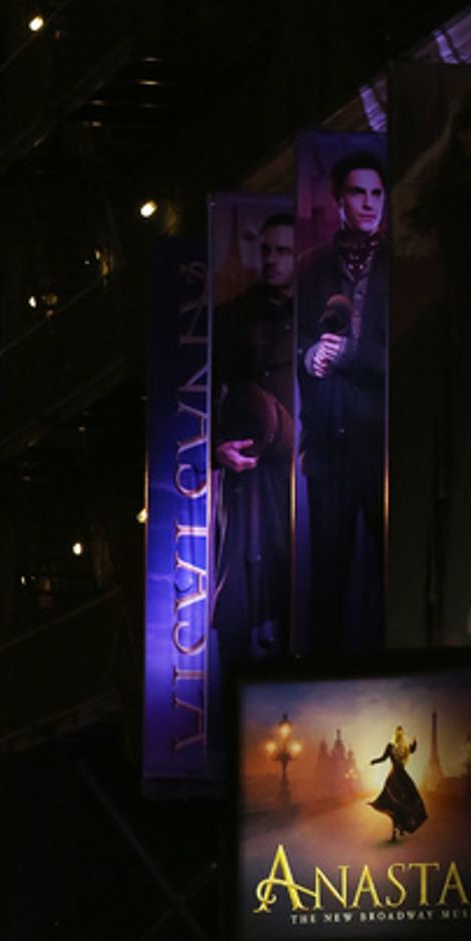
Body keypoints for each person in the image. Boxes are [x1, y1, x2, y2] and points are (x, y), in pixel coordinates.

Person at [394, 89, 471, 640]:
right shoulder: (470, 197)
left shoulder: (464, 191)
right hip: (469, 349)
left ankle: (449, 608)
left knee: (470, 479)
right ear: (465, 131)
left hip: (462, 346)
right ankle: (450, 613)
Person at [297, 150, 387, 651]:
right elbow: (291, 346)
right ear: (339, 201)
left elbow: (409, 355)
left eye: (376, 193)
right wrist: (307, 357)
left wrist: (355, 355)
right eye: (358, 192)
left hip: (381, 448)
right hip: (328, 449)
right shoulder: (311, 267)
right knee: (326, 581)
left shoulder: (399, 265)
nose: (369, 203)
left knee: (389, 574)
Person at [211, 212, 296, 662]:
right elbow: (202, 392)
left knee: (296, 586)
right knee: (240, 598)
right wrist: (215, 449)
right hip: (246, 477)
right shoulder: (235, 316)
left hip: (300, 474)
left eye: (283, 251)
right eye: (266, 250)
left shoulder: (317, 313)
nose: (271, 260)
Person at [369, 724, 427, 842]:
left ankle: (398, 828)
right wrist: (374, 761)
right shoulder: (401, 747)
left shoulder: (394, 746)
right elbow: (412, 750)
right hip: (400, 777)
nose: (399, 735)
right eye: (399, 733)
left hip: (395, 777)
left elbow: (384, 758)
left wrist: (374, 761)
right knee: (400, 802)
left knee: (396, 803)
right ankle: (399, 828)